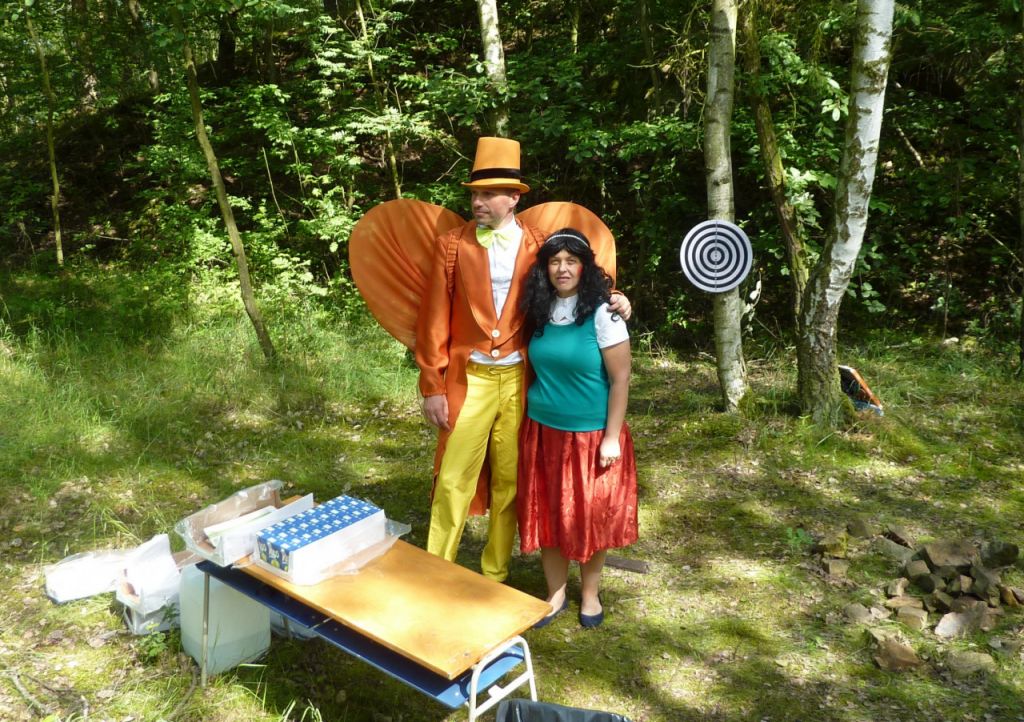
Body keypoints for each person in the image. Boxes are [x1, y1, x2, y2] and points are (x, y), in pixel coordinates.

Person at [415, 137, 631, 582]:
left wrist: (617, 297)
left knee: (511, 481)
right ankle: (435, 572)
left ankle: (494, 573)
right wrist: (432, 385)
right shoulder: (451, 246)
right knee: (452, 477)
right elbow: (433, 319)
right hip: (469, 378)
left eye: (489, 194)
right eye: (474, 194)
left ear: (514, 198)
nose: (478, 202)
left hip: (521, 380)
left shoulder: (539, 245)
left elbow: (575, 278)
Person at [517, 228, 638, 628]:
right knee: (549, 513)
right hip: (543, 431)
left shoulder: (604, 314)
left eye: (571, 261)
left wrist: (611, 437)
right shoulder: (538, 310)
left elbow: (621, 379)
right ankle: (555, 594)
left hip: (591, 435)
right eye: (555, 262)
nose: (563, 269)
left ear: (585, 267)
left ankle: (589, 594)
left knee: (592, 517)